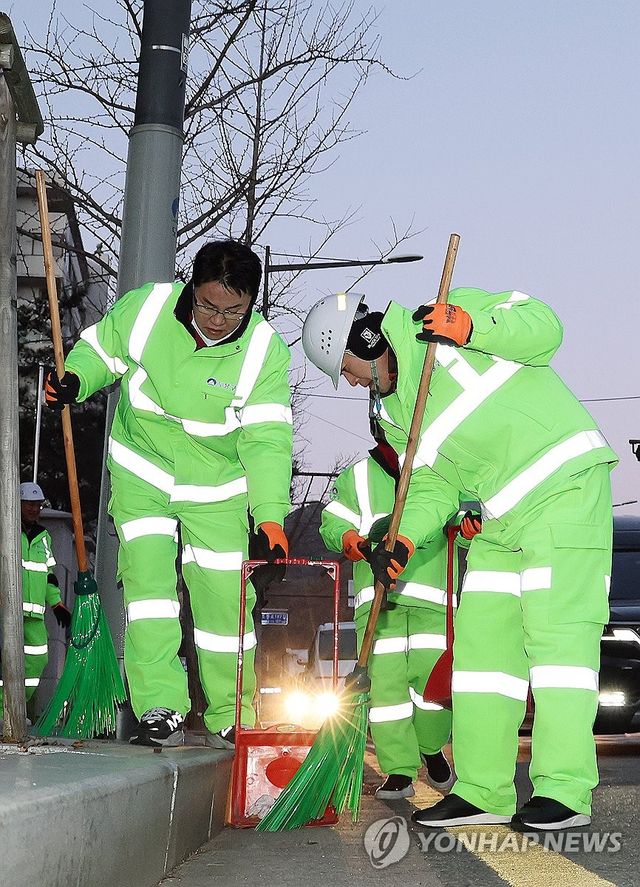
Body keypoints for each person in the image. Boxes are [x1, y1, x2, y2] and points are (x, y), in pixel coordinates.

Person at [302, 287, 617, 830]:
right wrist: (400, 539)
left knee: (558, 645)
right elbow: (433, 487)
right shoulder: (398, 415)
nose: (350, 382)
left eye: (348, 369)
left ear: (365, 339)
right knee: (480, 657)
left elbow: (545, 327)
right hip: (498, 520)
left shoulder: (445, 322)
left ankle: (564, 789)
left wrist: (472, 327)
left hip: (564, 491)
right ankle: (482, 791)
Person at [44, 240, 293, 748]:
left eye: (234, 311)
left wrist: (270, 519)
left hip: (218, 486)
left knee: (226, 604)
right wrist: (76, 377)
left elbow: (267, 439)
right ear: (190, 289)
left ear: (251, 304)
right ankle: (159, 705)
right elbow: (101, 350)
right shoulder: (148, 308)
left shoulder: (266, 350)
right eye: (208, 305)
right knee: (149, 589)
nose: (219, 320)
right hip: (144, 471)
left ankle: (233, 711)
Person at [320, 418, 480, 799]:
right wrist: (353, 542)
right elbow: (332, 522)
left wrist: (467, 525)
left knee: (434, 686)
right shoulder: (358, 476)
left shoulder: (443, 472)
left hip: (432, 600)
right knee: (386, 693)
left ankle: (431, 747)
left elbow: (457, 518)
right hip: (378, 600)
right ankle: (399, 772)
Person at [0, 482, 71, 717]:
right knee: (5, 664)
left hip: (34, 615)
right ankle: (3, 712)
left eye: (37, 505)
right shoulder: (6, 532)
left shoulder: (44, 538)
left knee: (38, 661)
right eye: (29, 504)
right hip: (7, 613)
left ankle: (15, 710)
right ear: (17, 504)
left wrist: (57, 604)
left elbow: (49, 575)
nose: (34, 509)